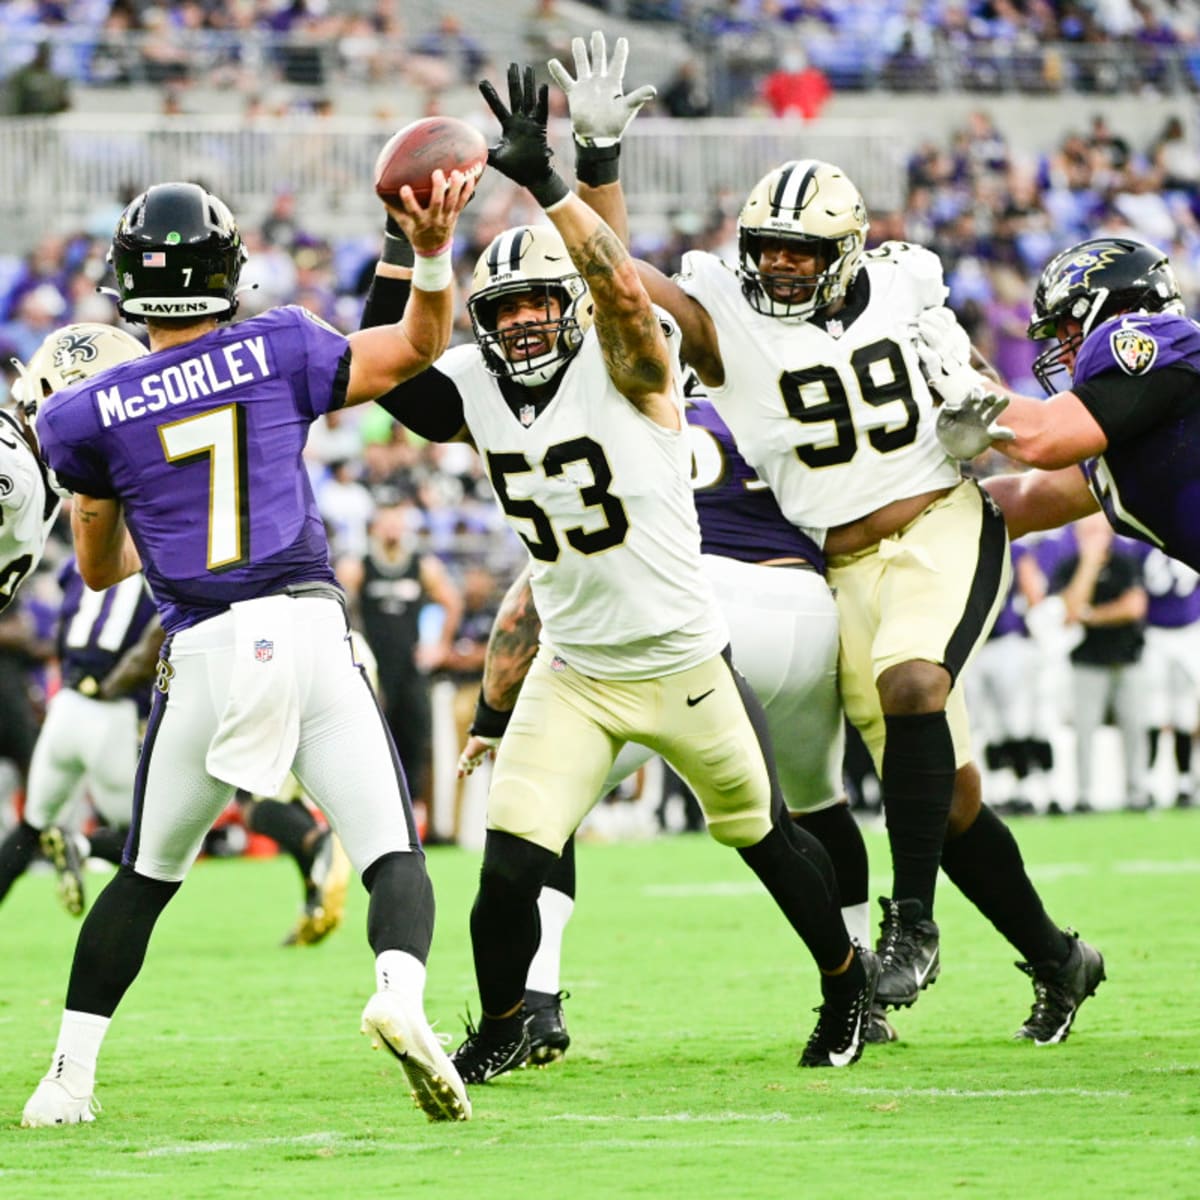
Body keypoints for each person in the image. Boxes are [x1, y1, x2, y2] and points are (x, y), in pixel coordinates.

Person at [550, 31, 1103, 1042]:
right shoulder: (725, 312)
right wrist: (595, 166)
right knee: (953, 800)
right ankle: (1062, 960)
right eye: (768, 249)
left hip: (941, 520)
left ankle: (914, 924)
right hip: (840, 564)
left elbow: (984, 398)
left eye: (802, 250)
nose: (783, 266)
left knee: (911, 687)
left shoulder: (907, 286)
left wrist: (1000, 419)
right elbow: (615, 280)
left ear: (848, 249)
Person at [363, 59, 879, 1085]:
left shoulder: (631, 365)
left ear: (574, 304)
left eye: (533, 307)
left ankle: (843, 980)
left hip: (685, 659)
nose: (516, 325)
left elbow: (618, 285)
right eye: (498, 311)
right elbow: (381, 360)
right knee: (505, 862)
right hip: (577, 670)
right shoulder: (474, 384)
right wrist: (407, 237)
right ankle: (511, 1018)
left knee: (768, 842)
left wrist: (558, 181)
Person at [21, 170, 477, 1128]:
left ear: (125, 282)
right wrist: (430, 248)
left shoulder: (82, 417)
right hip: (309, 626)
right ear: (229, 271)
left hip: (205, 649)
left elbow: (101, 571)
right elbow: (422, 345)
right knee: (392, 849)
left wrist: (110, 477)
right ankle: (398, 989)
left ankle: (66, 1078)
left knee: (146, 877)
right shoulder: (283, 343)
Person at [928, 235, 1200, 574]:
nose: (1064, 355)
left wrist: (960, 380)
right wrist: (905, 526)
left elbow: (1043, 437)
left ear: (1118, 311)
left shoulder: (1162, 340)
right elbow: (1027, 500)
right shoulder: (1141, 417)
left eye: (1068, 330)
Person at [1049, 515, 1149, 813]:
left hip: (1127, 658)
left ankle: (1137, 793)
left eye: (1099, 532)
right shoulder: (1069, 567)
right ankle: (1083, 795)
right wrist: (1089, 566)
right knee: (1084, 730)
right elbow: (1069, 611)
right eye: (1088, 532)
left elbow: (1134, 608)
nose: (1095, 538)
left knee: (1134, 728)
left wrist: (1092, 615)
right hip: (1087, 661)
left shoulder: (1125, 563)